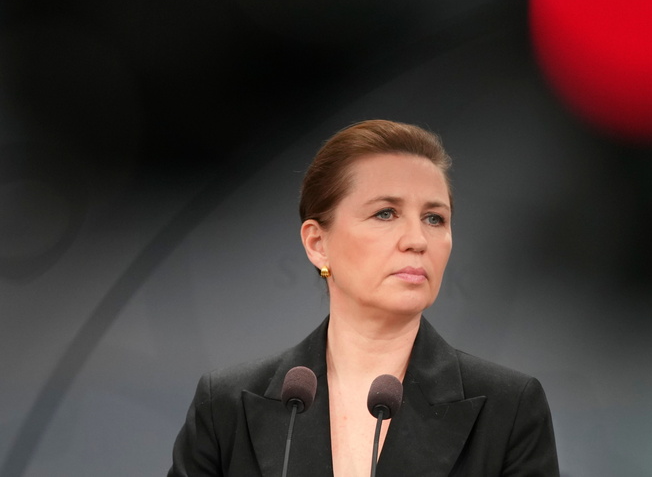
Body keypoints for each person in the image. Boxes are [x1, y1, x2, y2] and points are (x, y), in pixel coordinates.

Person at [168, 120, 559, 476]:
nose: (417, 240)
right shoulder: (225, 408)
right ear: (318, 244)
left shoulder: (508, 409)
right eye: (386, 213)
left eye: (434, 218)